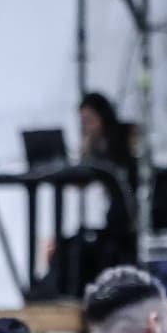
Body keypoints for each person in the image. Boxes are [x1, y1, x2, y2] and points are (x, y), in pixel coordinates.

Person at [30, 92, 137, 301]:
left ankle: (53, 289)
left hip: (122, 233)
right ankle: (48, 287)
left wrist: (87, 151)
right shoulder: (104, 152)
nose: (86, 128)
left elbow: (84, 179)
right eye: (82, 123)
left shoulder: (116, 149)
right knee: (63, 245)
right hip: (113, 228)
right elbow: (80, 182)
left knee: (72, 249)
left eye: (89, 121)